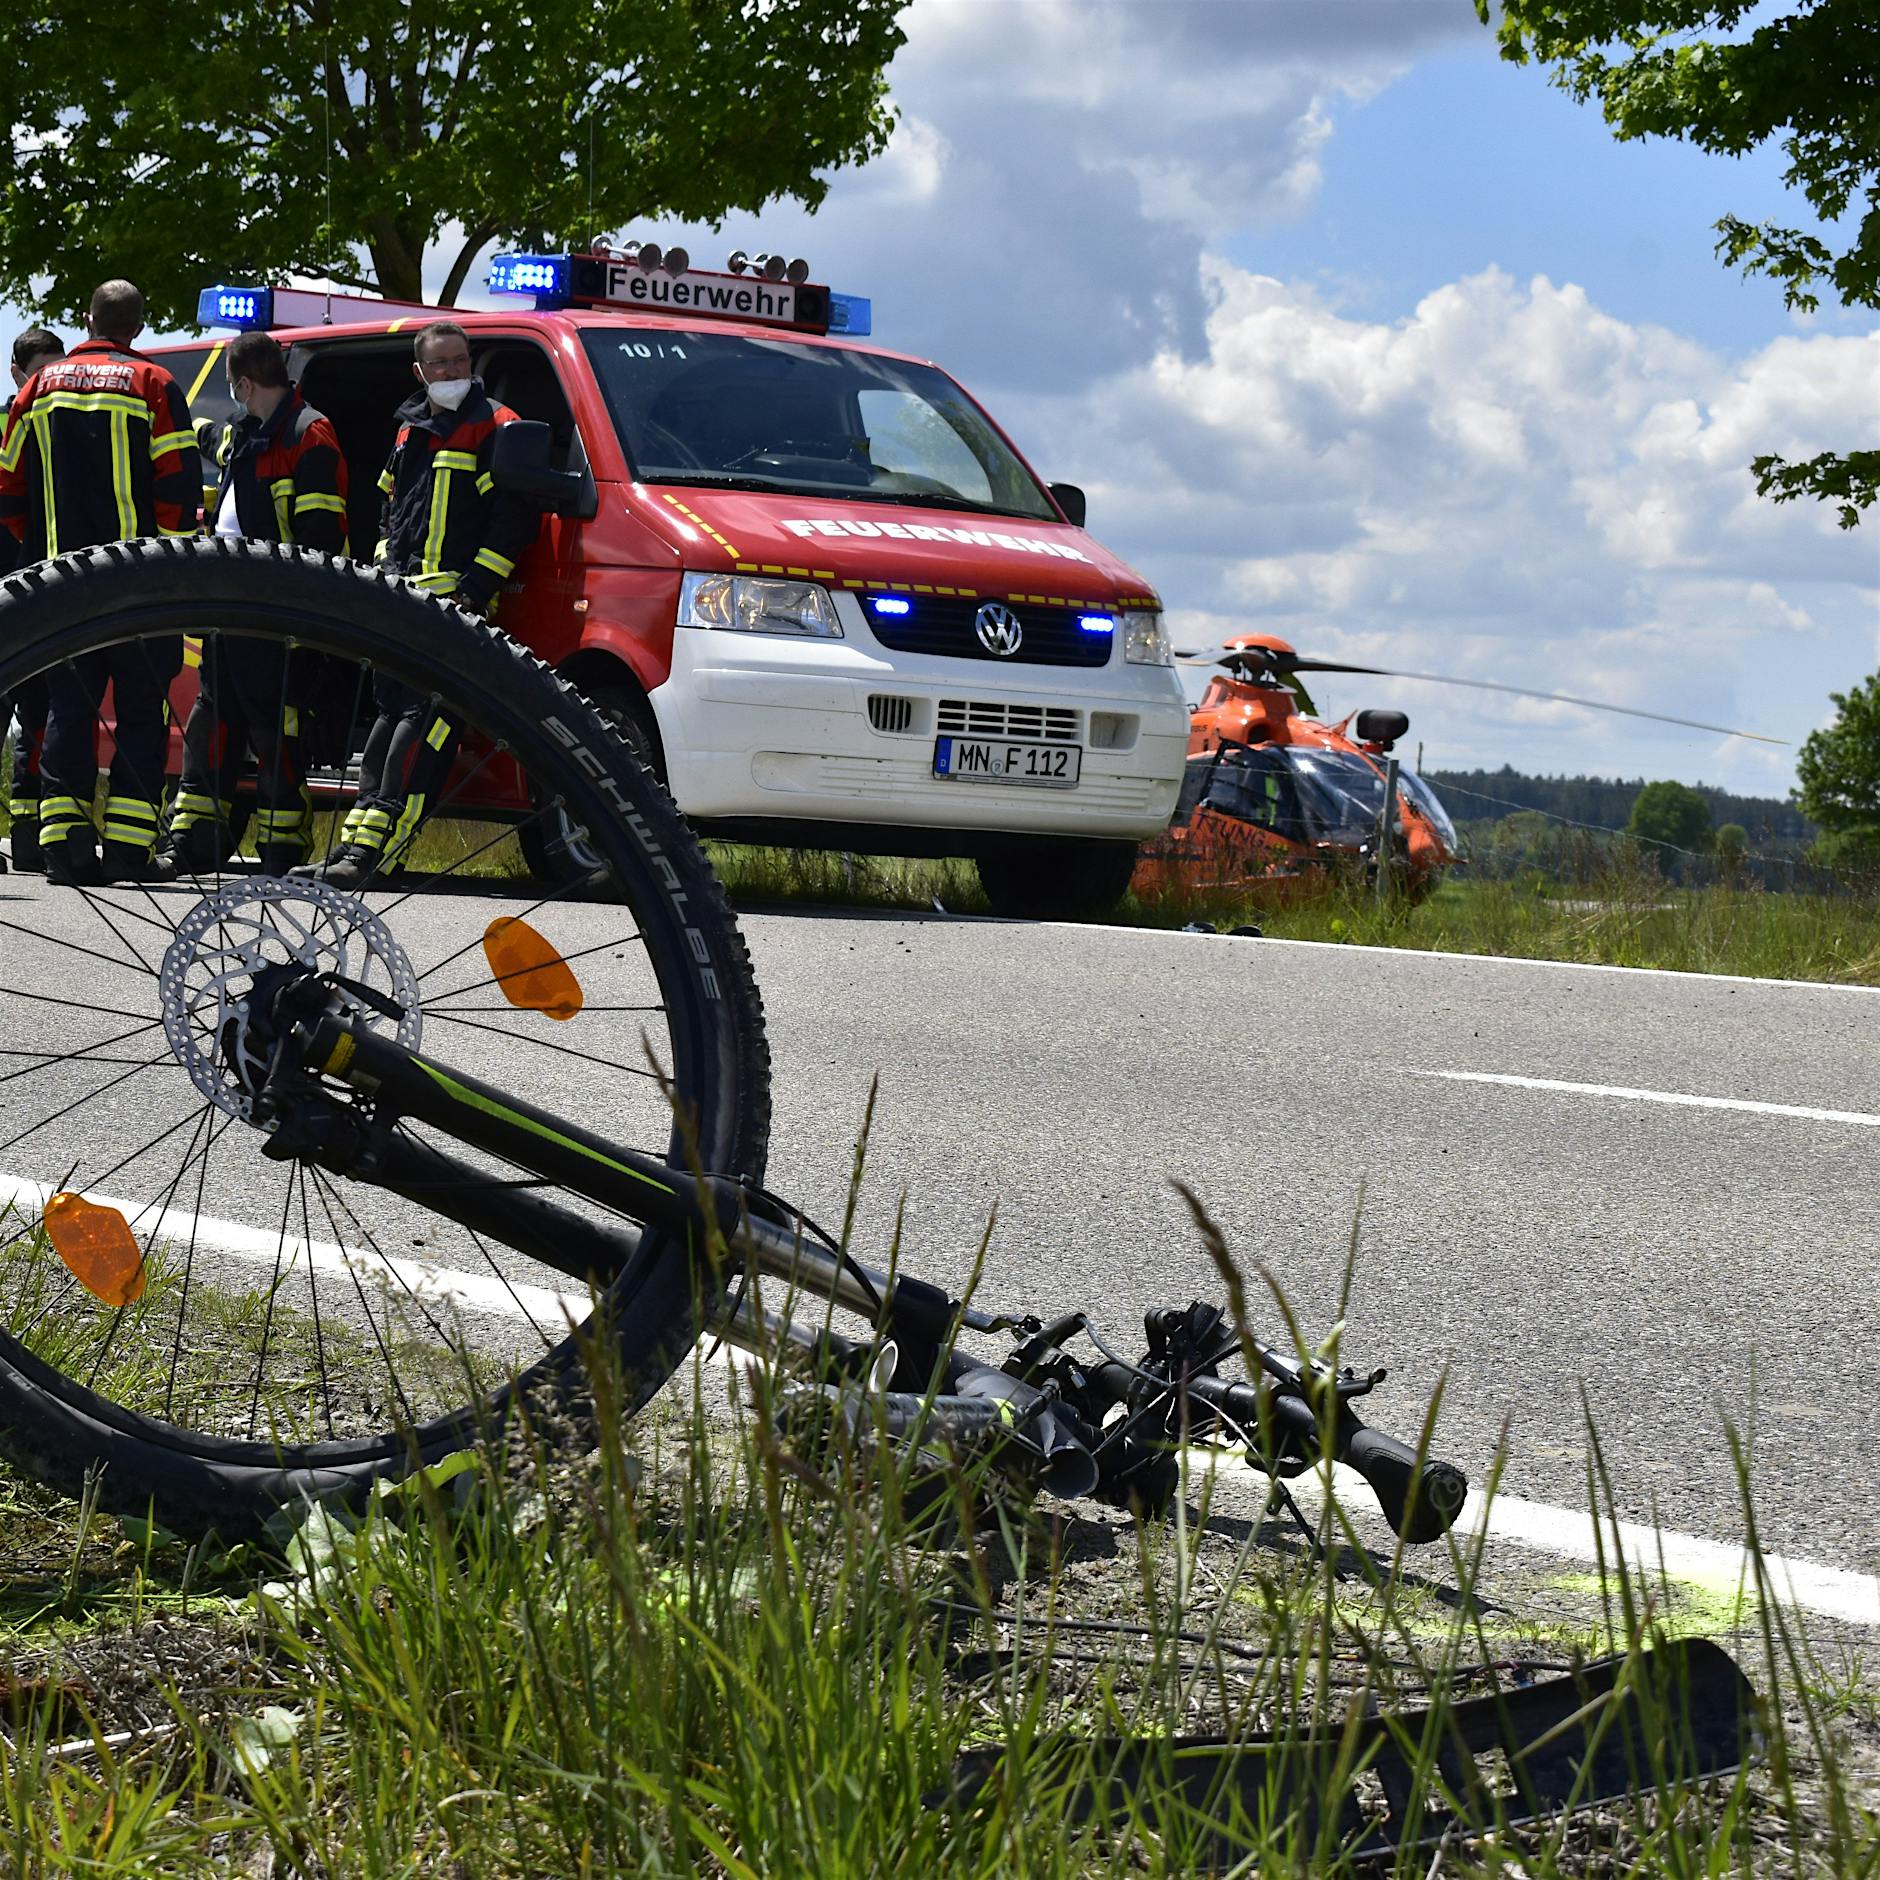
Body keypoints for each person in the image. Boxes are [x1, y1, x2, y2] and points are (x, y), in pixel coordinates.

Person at [297, 320, 536, 889]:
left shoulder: (496, 426)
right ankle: (356, 844)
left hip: (454, 609)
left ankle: (377, 855)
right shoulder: (409, 430)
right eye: (441, 363)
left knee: (422, 727)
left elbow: (512, 523)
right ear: (420, 371)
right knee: (387, 721)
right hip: (402, 601)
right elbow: (390, 509)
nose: (453, 371)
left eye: (460, 360)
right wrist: (385, 573)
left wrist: (473, 591)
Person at [0, 281, 199, 885]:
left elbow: (7, 488)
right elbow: (178, 487)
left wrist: (42, 550)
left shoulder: (38, 387)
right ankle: (129, 852)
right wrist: (164, 563)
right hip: (141, 586)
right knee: (140, 714)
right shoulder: (155, 383)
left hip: (61, 585)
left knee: (67, 709)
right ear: (138, 326)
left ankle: (64, 850)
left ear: (87, 319)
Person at [165, 329, 349, 876]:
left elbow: (322, 538)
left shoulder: (308, 434)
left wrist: (295, 608)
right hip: (227, 607)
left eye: (232, 385)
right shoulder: (246, 432)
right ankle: (195, 840)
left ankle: (281, 848)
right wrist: (173, 416)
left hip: (277, 613)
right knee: (213, 719)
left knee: (275, 727)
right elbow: (211, 439)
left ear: (244, 383)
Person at [0, 326, 66, 874]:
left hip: (38, 589)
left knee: (39, 714)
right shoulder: (10, 425)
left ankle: (29, 838)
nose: (51, 381)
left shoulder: (56, 423)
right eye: (42, 371)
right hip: (8, 586)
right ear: (17, 374)